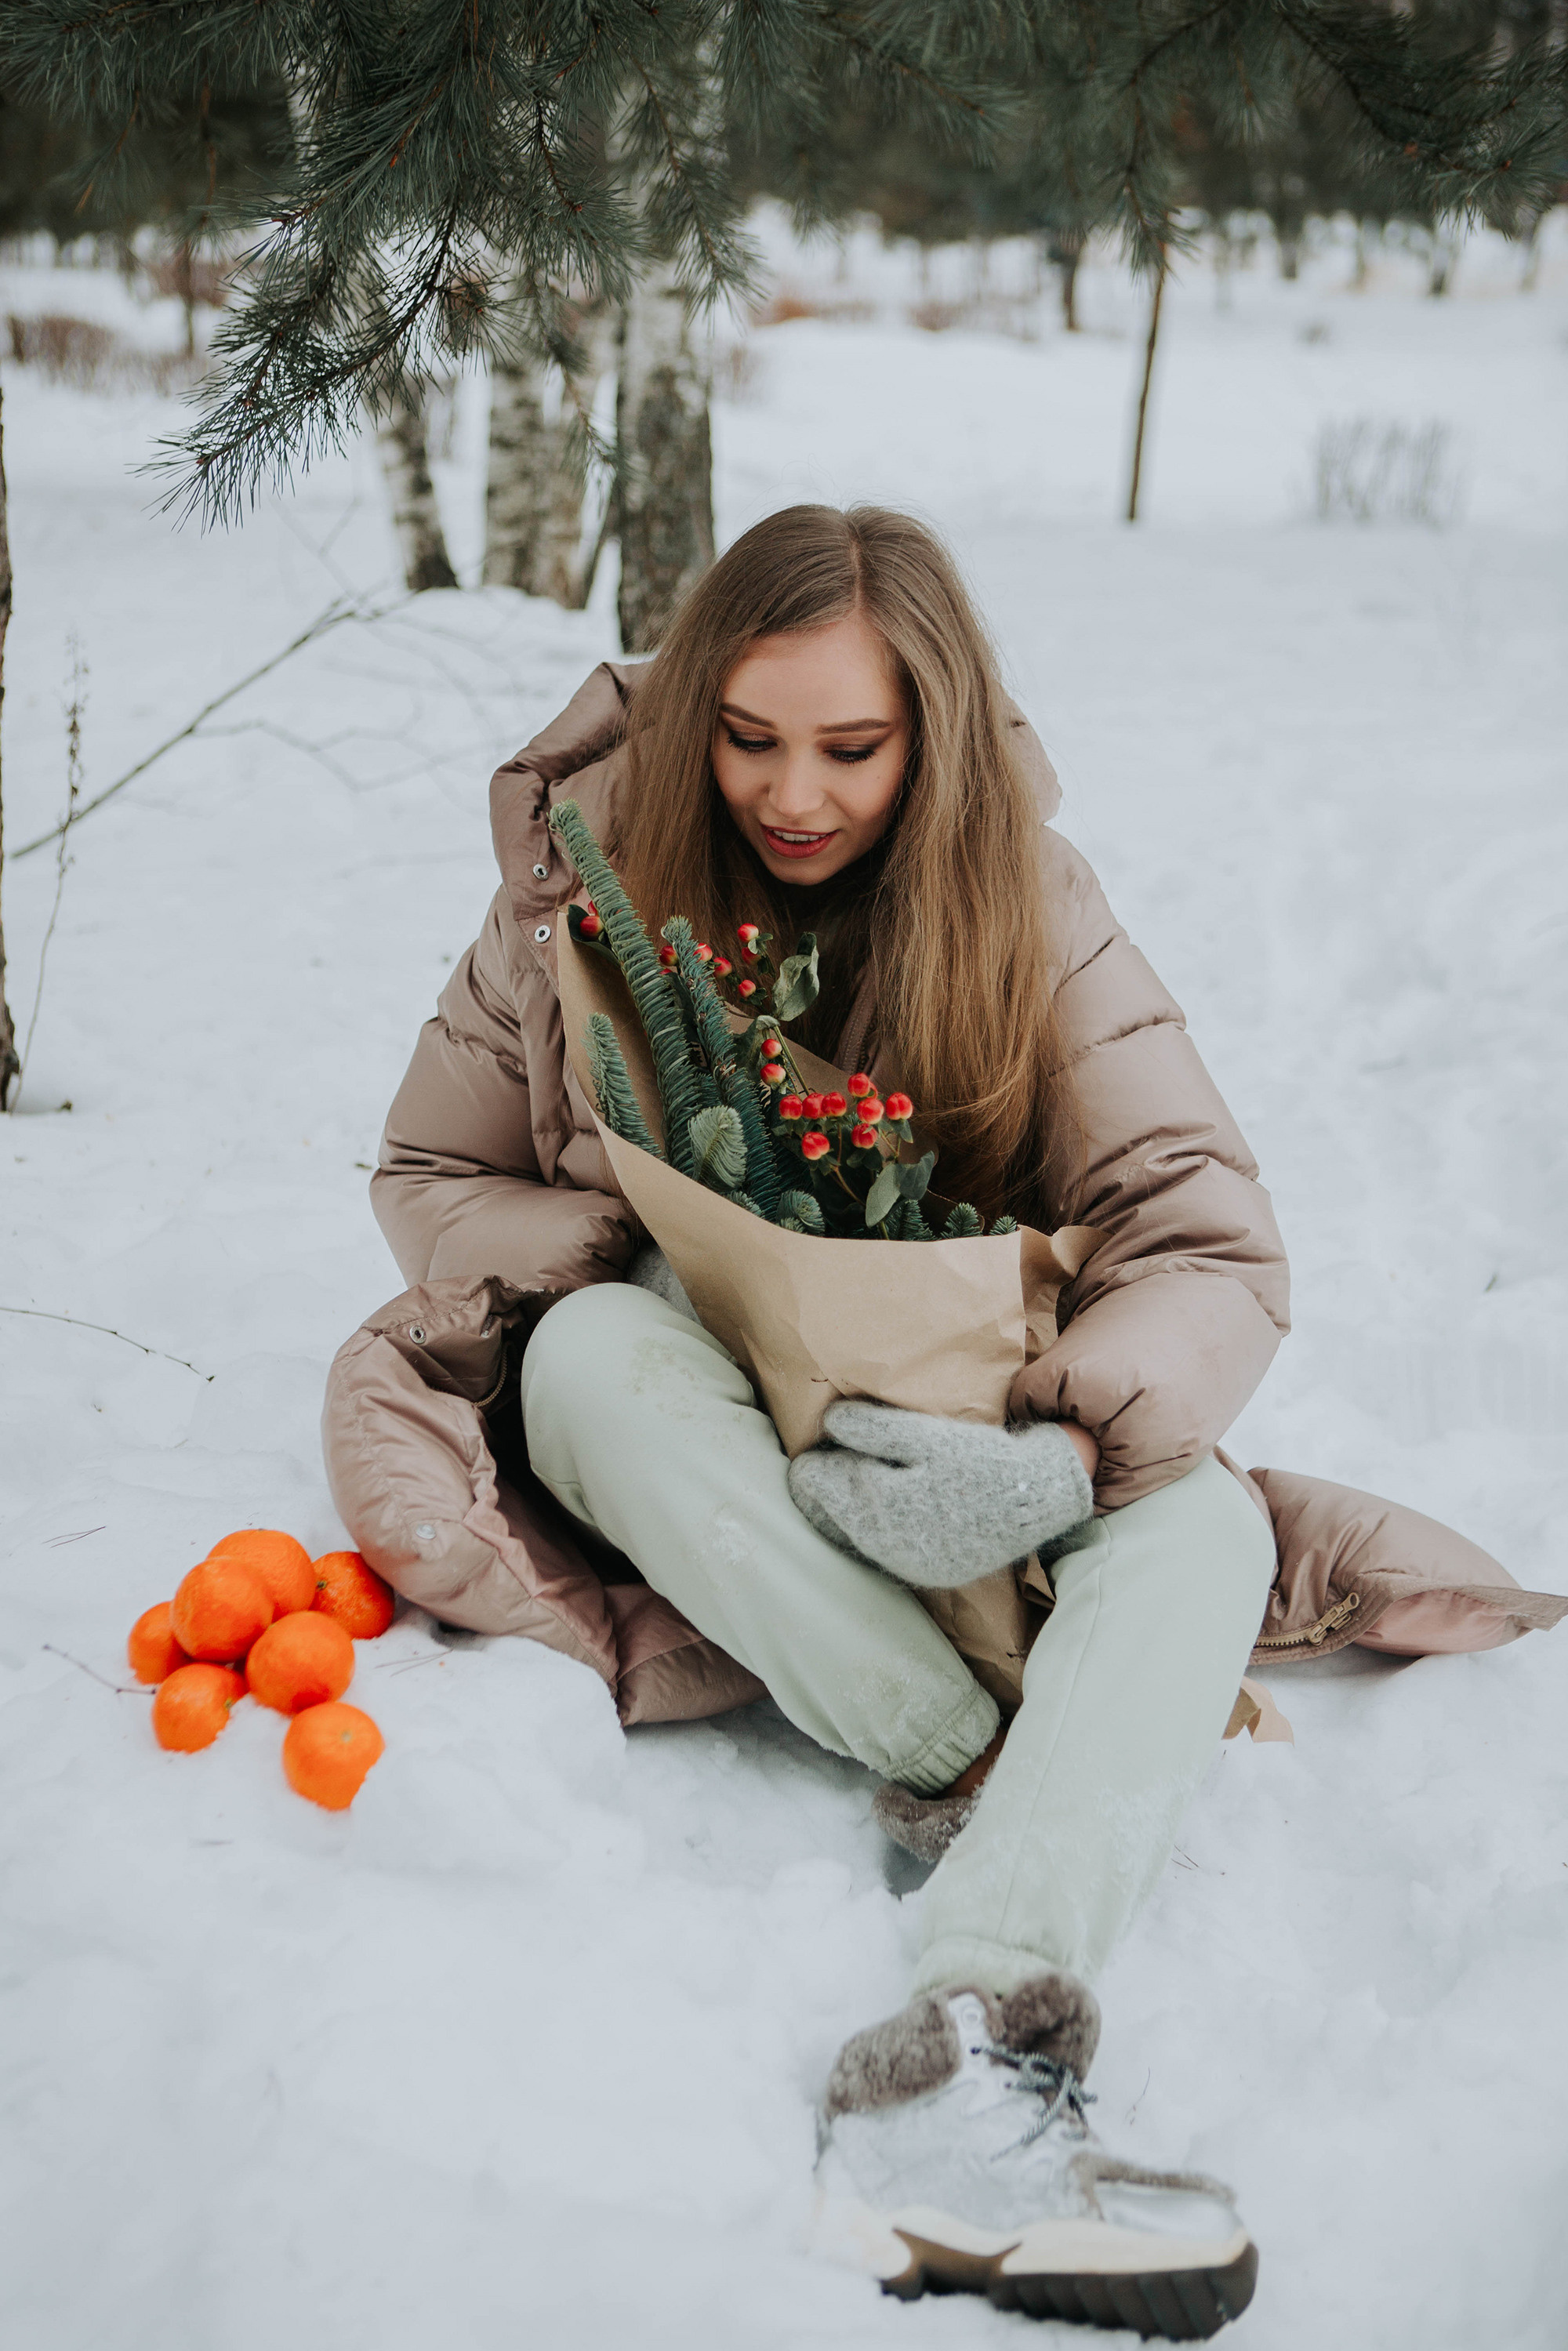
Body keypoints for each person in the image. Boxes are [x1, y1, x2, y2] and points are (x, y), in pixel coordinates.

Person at [372, 505, 1287, 2338]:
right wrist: (649, 1243)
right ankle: (973, 1763)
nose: (796, 792)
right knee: (579, 1370)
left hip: (971, 1423)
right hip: (693, 1408)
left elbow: (1201, 1231)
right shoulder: (581, 882)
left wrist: (1058, 1451)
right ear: (695, 704)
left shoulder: (1030, 895)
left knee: (1210, 1529)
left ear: (930, 735)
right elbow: (431, 1169)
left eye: (852, 749)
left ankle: (962, 2047)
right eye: (750, 735)